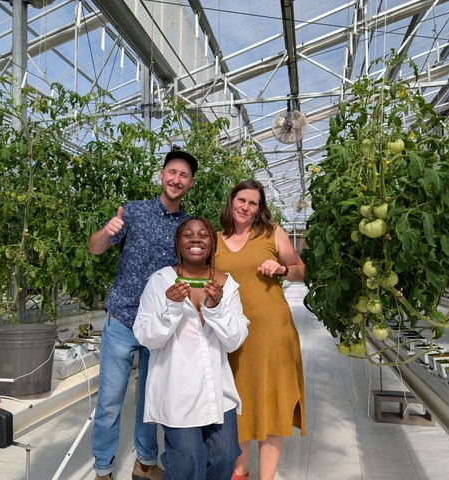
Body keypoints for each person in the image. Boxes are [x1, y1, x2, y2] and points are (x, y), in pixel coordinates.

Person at [88, 150, 198, 480]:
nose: (177, 179)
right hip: (121, 319)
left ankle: (146, 462)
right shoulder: (133, 212)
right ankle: (103, 469)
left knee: (151, 401)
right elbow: (95, 248)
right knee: (109, 400)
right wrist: (107, 231)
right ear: (162, 175)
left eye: (184, 175)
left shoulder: (188, 226)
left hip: (161, 325)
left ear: (190, 183)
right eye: (172, 172)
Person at [133, 217, 249, 480]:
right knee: (187, 463)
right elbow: (146, 337)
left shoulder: (226, 286)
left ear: (212, 243)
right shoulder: (160, 281)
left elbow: (234, 340)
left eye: (203, 234)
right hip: (177, 389)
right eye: (187, 234)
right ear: (178, 243)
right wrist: (171, 307)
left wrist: (216, 308)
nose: (195, 239)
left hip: (216, 390)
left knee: (225, 456)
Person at [214, 179, 307, 480]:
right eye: (241, 200)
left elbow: (299, 269)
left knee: (272, 402)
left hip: (272, 332)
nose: (245, 207)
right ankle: (240, 471)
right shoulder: (214, 240)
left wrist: (281, 269)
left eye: (252, 203)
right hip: (232, 336)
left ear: (259, 209)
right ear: (231, 202)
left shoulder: (271, 233)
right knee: (238, 400)